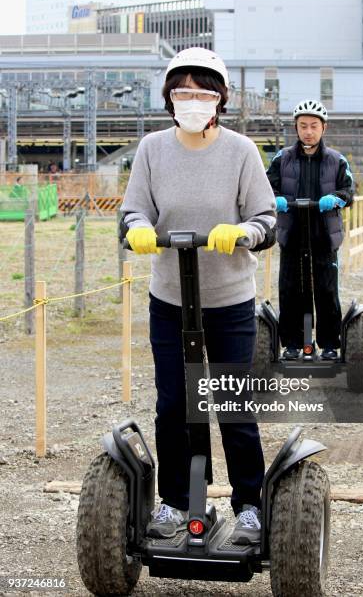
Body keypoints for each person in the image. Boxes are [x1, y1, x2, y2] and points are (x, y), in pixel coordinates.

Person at [119, 47, 276, 545]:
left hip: (228, 299)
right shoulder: (151, 149)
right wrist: (140, 228)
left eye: (202, 92)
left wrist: (246, 233)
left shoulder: (241, 151)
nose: (192, 100)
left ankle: (249, 504)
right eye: (182, 92)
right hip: (168, 298)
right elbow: (132, 212)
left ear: (219, 99)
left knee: (231, 404)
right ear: (169, 98)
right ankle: (179, 502)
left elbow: (268, 219)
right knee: (174, 405)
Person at [266, 99, 354, 361]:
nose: (308, 131)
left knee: (326, 290)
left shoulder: (336, 160)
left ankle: (329, 344)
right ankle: (293, 344)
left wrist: (337, 198)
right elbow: (267, 187)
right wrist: (276, 199)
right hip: (292, 234)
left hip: (323, 235)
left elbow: (349, 191)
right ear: (296, 127)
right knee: (291, 289)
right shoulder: (283, 158)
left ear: (323, 128)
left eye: (313, 126)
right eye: (303, 126)